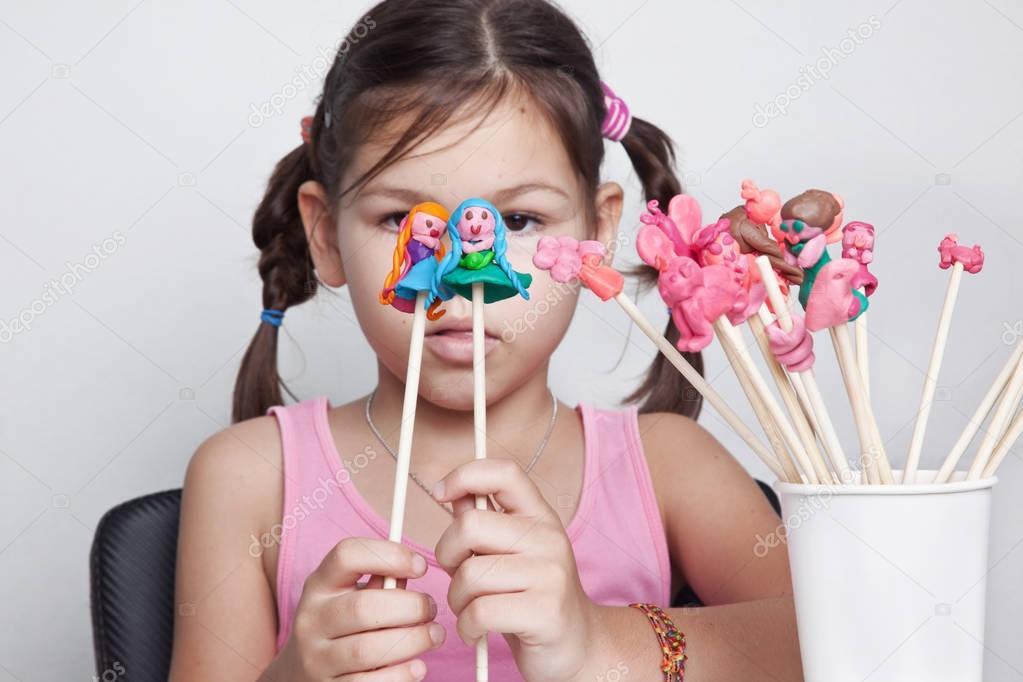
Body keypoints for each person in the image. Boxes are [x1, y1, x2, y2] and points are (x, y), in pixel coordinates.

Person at [170, 1, 801, 680]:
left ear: (597, 229)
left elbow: (841, 645)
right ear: (326, 236)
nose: (455, 274)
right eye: (401, 220)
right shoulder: (249, 476)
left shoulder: (669, 465)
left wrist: (594, 640)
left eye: (521, 219)